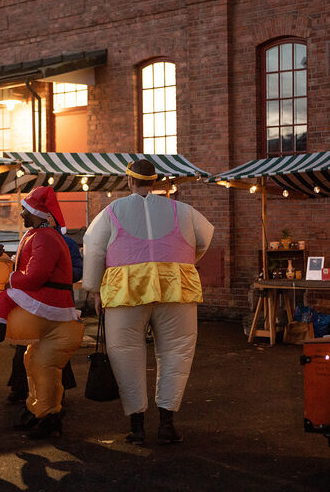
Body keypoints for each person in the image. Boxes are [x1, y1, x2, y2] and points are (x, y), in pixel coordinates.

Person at [82, 159, 214, 445]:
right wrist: (183, 261)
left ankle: (137, 426)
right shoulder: (184, 211)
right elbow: (204, 238)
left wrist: (94, 290)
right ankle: (167, 422)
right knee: (177, 352)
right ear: (156, 182)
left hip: (125, 292)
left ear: (130, 181)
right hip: (175, 288)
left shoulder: (110, 212)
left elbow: (93, 249)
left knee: (125, 353)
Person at [0, 186, 82, 438]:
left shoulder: (44, 238)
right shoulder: (39, 236)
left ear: (38, 213)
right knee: (33, 361)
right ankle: (40, 412)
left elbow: (34, 276)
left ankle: (45, 415)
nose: (21, 214)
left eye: (25, 210)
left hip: (50, 310)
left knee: (42, 365)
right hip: (52, 309)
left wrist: (10, 277)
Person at [7, 213, 82, 404]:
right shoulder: (31, 239)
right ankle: (22, 389)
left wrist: (54, 273)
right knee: (26, 350)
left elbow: (76, 271)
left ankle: (52, 398)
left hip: (55, 304)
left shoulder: (66, 243)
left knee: (52, 353)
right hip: (33, 304)